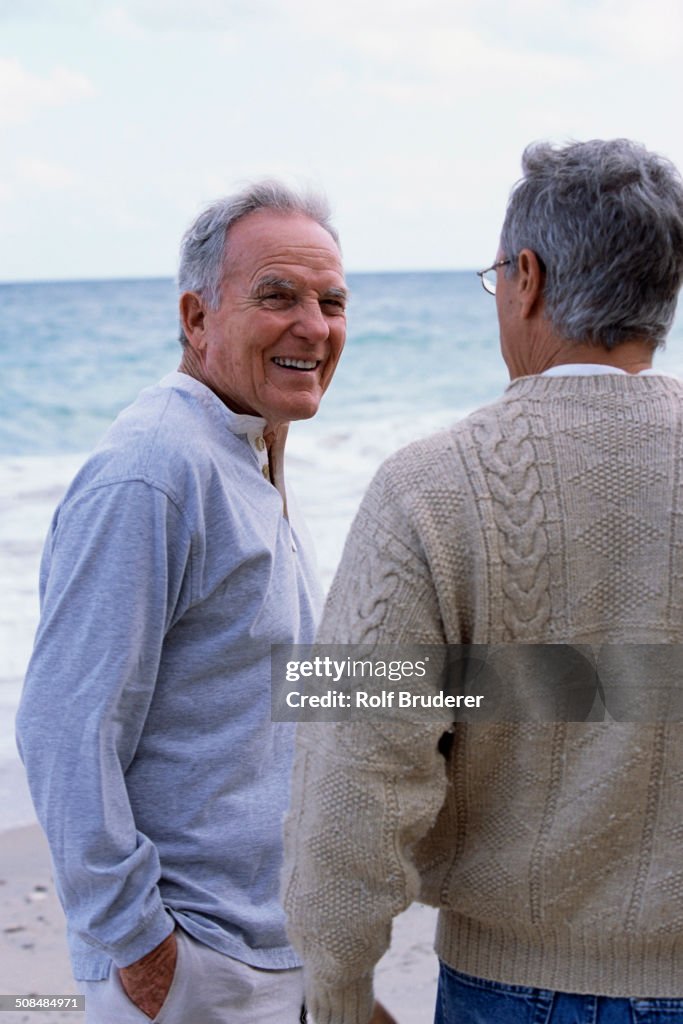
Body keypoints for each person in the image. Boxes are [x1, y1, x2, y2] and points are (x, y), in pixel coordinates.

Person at [282, 139, 683, 1024]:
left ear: (526, 278)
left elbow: (356, 755)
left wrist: (340, 987)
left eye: (496, 276)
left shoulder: (428, 489)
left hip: (514, 991)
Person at [16, 181, 350, 1023]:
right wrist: (143, 949)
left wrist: (561, 684)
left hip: (265, 948)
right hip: (195, 964)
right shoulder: (154, 471)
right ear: (197, 319)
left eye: (331, 301)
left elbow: (277, 680)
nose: (312, 325)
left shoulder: (251, 445)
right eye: (277, 296)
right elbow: (62, 727)